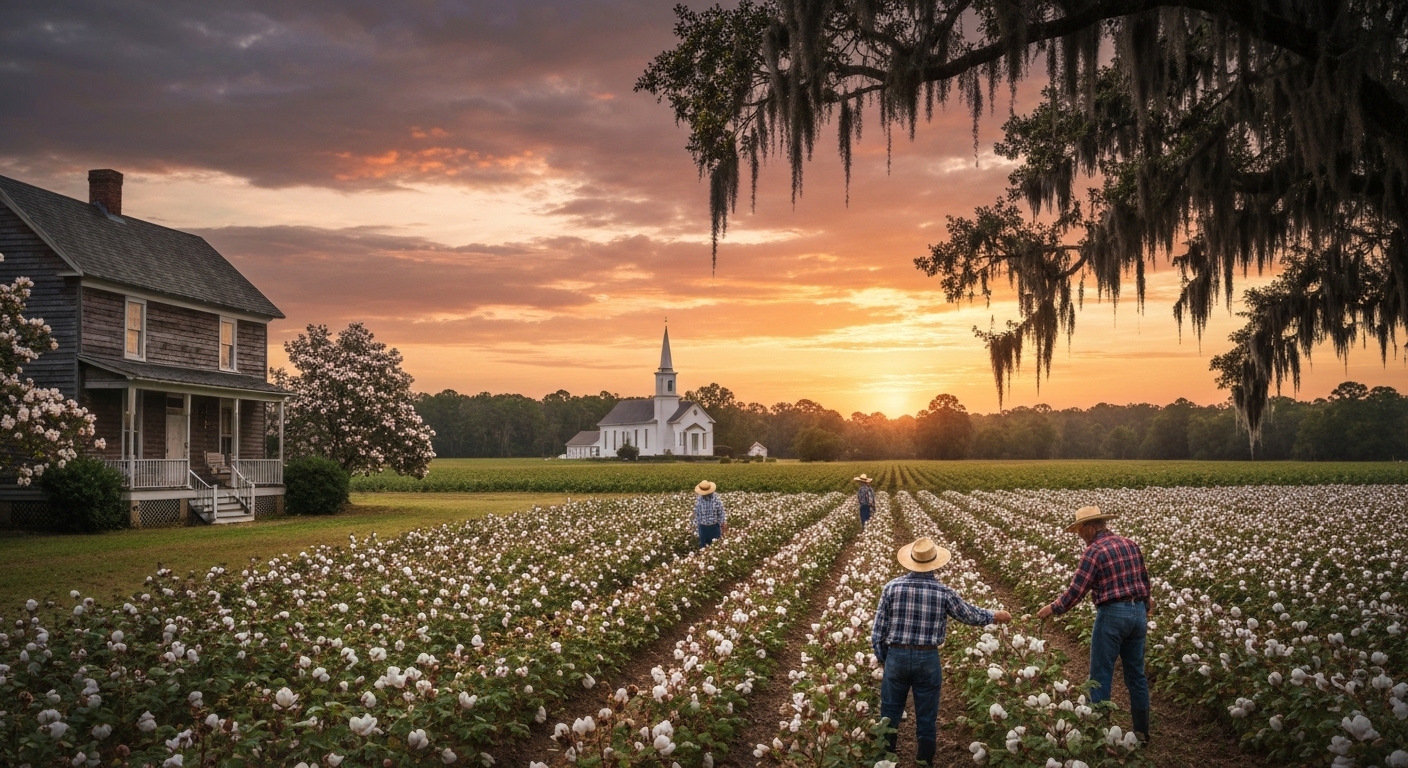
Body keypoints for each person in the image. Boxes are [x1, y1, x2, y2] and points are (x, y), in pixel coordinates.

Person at [873, 536, 1012, 764]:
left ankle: (885, 758)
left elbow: (878, 630)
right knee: (926, 716)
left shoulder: (892, 587)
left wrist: (885, 659)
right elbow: (969, 614)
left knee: (890, 711)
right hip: (927, 658)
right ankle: (924, 761)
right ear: (935, 562)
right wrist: (994, 616)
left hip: (896, 655)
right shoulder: (943, 592)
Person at [1037, 506, 1153, 743]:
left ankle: (1099, 732)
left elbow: (1077, 590)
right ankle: (1142, 732)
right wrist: (1143, 611)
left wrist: (1053, 608)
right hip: (1138, 612)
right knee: (1136, 675)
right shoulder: (1130, 544)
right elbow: (1145, 581)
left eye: (1080, 531)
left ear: (1090, 527)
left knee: (1100, 675)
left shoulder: (1094, 551)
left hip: (1112, 614)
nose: (1080, 536)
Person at [692, 480, 726, 548]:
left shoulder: (715, 498)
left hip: (714, 527)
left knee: (715, 546)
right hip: (703, 527)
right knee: (704, 547)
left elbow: (721, 511)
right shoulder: (699, 499)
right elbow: (697, 513)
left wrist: (722, 523)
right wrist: (695, 525)